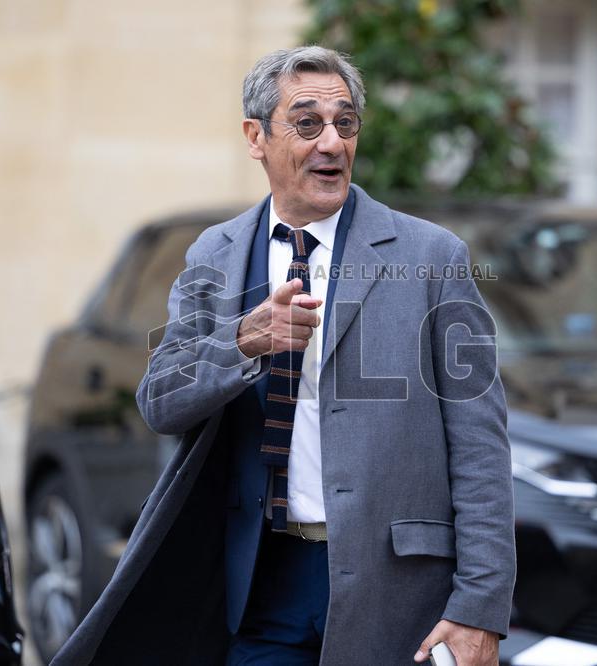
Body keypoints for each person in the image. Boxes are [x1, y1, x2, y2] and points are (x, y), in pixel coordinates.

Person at [51, 45, 515, 666]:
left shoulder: (432, 258)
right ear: (256, 136)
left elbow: (481, 444)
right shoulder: (214, 254)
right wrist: (243, 339)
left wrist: (479, 608)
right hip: (261, 581)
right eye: (306, 123)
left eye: (344, 123)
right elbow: (160, 401)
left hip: (396, 594)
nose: (331, 143)